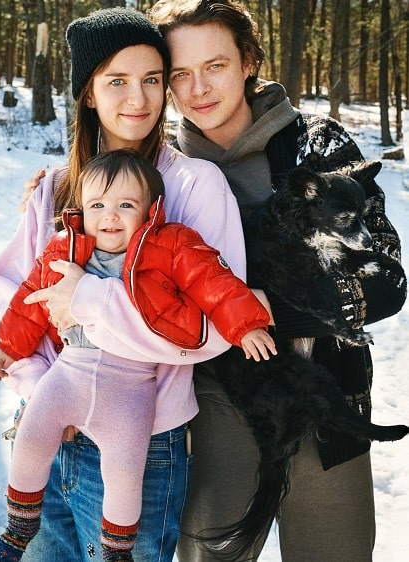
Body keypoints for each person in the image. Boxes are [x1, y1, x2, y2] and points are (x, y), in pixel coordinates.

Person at [0, 8, 259, 562]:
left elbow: (208, 330)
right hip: (49, 429)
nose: (138, 98)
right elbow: (13, 291)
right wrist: (38, 385)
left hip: (144, 443)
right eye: (117, 81)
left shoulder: (195, 184)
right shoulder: (58, 189)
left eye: (153, 80)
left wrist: (88, 300)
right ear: (88, 93)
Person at [147, 1, 407, 561]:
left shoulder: (317, 145)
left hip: (325, 402)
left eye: (214, 65)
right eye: (179, 74)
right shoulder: (158, 168)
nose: (197, 89)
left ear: (247, 61)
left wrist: (264, 306)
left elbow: (385, 275)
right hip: (212, 401)